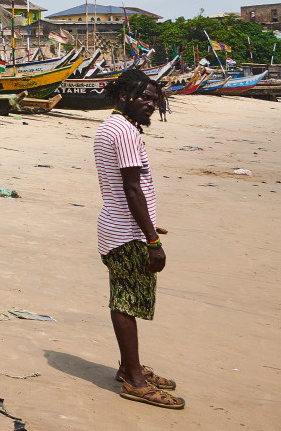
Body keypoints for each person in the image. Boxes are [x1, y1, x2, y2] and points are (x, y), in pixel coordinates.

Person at [93, 69, 184, 409]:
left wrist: (149, 228)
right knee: (126, 302)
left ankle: (127, 367)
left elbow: (127, 188)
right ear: (124, 95)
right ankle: (134, 381)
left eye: (154, 99)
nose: (151, 104)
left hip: (119, 227)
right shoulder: (125, 133)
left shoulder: (113, 127)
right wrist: (152, 241)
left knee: (127, 297)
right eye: (145, 97)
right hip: (127, 233)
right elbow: (132, 189)